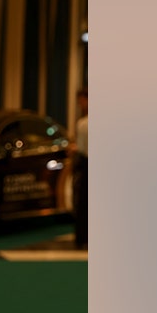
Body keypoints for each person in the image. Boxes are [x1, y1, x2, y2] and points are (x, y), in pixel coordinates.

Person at [73, 88, 87, 248]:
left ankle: (82, 238)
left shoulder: (83, 123)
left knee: (83, 201)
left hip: (86, 163)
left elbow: (82, 148)